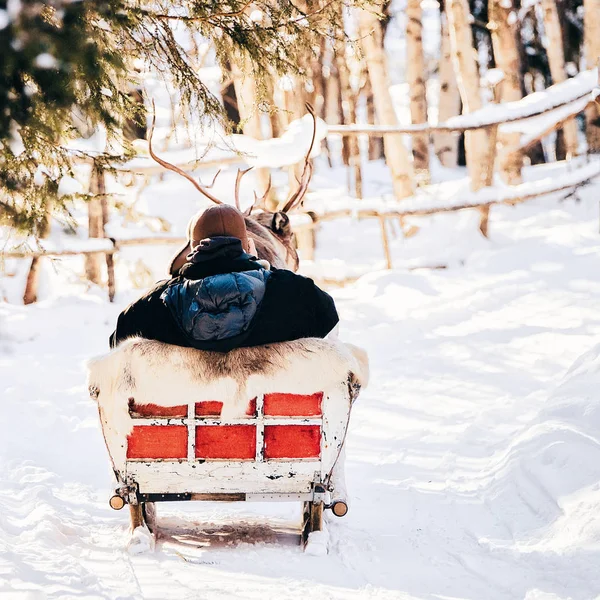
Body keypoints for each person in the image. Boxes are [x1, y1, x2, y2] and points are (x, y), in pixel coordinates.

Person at [109, 205, 339, 351]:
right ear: (248, 245)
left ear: (191, 249)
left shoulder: (152, 304)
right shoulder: (297, 292)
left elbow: (117, 347)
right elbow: (330, 335)